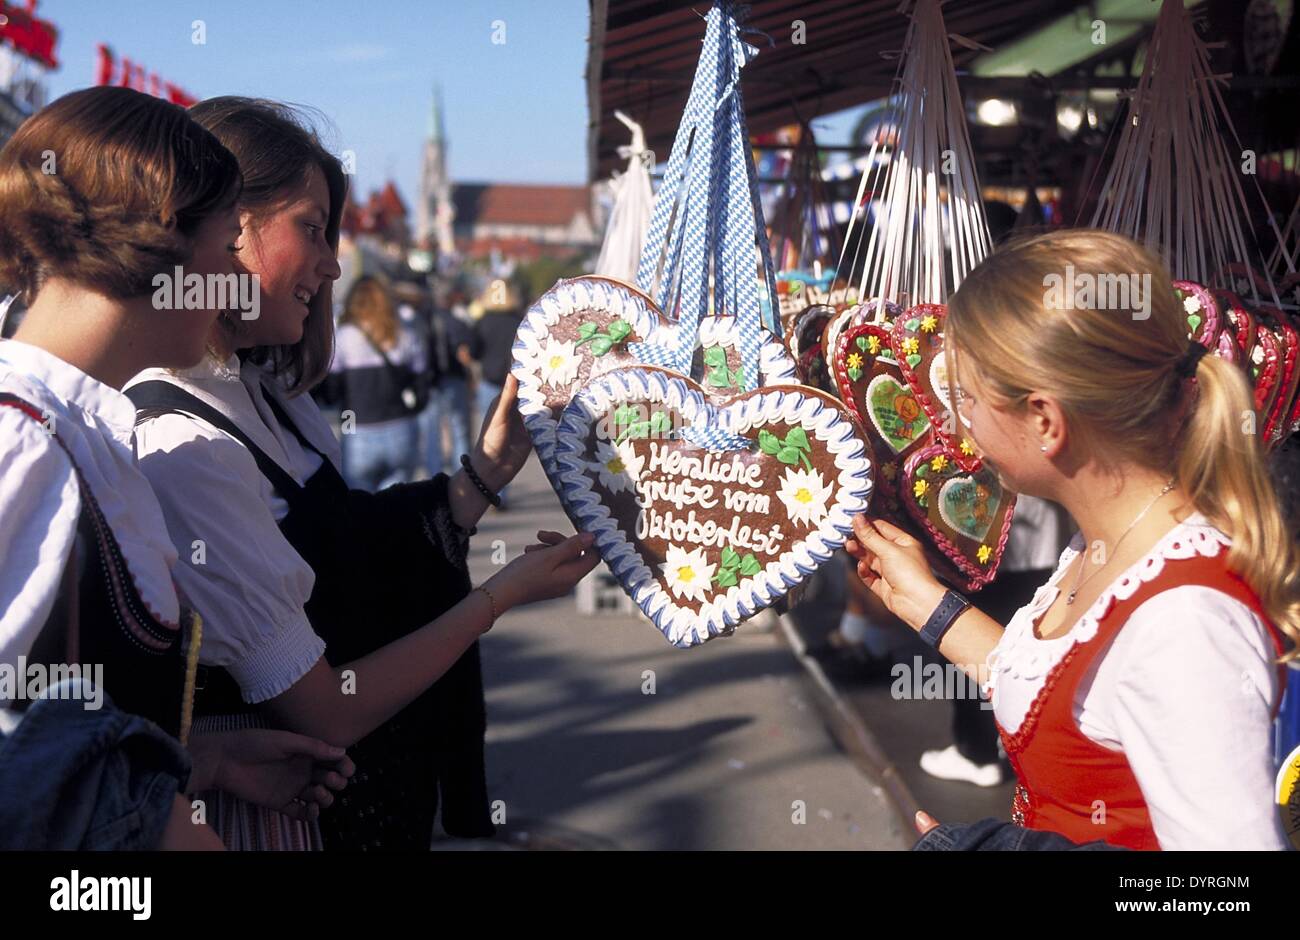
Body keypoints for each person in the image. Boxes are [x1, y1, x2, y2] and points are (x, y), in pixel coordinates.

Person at [127, 97, 599, 851]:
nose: (333, 263)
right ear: (223, 224)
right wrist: (500, 594)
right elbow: (326, 710)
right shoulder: (183, 441)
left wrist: (483, 471)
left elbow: (351, 545)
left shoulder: (259, 391)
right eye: (310, 229)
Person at [846, 229, 1296, 850]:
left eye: (968, 398)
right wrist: (926, 602)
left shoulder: (1183, 621)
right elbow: (1059, 696)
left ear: (1044, 420)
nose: (958, 422)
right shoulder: (1117, 544)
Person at [0, 87, 352, 848]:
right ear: (162, 245)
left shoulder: (84, 431)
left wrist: (200, 762)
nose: (232, 279)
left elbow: (51, 725)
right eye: (229, 245)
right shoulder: (19, 438)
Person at [331, 275, 426, 490]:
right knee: (395, 508)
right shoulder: (405, 335)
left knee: (360, 512)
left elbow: (332, 391)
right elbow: (422, 391)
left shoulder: (344, 337)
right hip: (400, 426)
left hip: (355, 426)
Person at [470, 280, 524, 508]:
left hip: (489, 382)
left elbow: (473, 351)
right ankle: (503, 492)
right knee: (510, 441)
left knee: (489, 440)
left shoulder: (483, 322)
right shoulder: (519, 321)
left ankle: (490, 489)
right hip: (513, 382)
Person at [419, 286, 474, 477]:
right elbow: (469, 353)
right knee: (459, 430)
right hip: (454, 379)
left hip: (431, 382)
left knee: (432, 434)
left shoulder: (423, 321)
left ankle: (434, 478)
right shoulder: (457, 322)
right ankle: (463, 475)